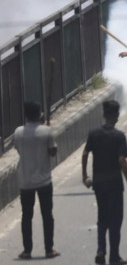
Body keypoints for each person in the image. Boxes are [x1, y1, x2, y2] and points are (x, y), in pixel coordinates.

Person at [82, 99, 127, 265]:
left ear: (104, 114)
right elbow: (122, 160)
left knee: (102, 218)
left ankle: (100, 250)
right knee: (115, 221)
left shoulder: (94, 133)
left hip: (98, 183)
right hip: (114, 184)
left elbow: (84, 154)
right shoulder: (119, 136)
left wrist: (85, 176)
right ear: (117, 116)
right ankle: (114, 257)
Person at [13, 101, 59, 259]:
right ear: (39, 114)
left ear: (26, 115)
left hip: (25, 180)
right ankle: (49, 249)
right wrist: (46, 131)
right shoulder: (46, 131)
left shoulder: (18, 132)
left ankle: (27, 250)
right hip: (44, 180)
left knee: (26, 216)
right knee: (47, 215)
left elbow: (19, 150)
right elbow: (53, 152)